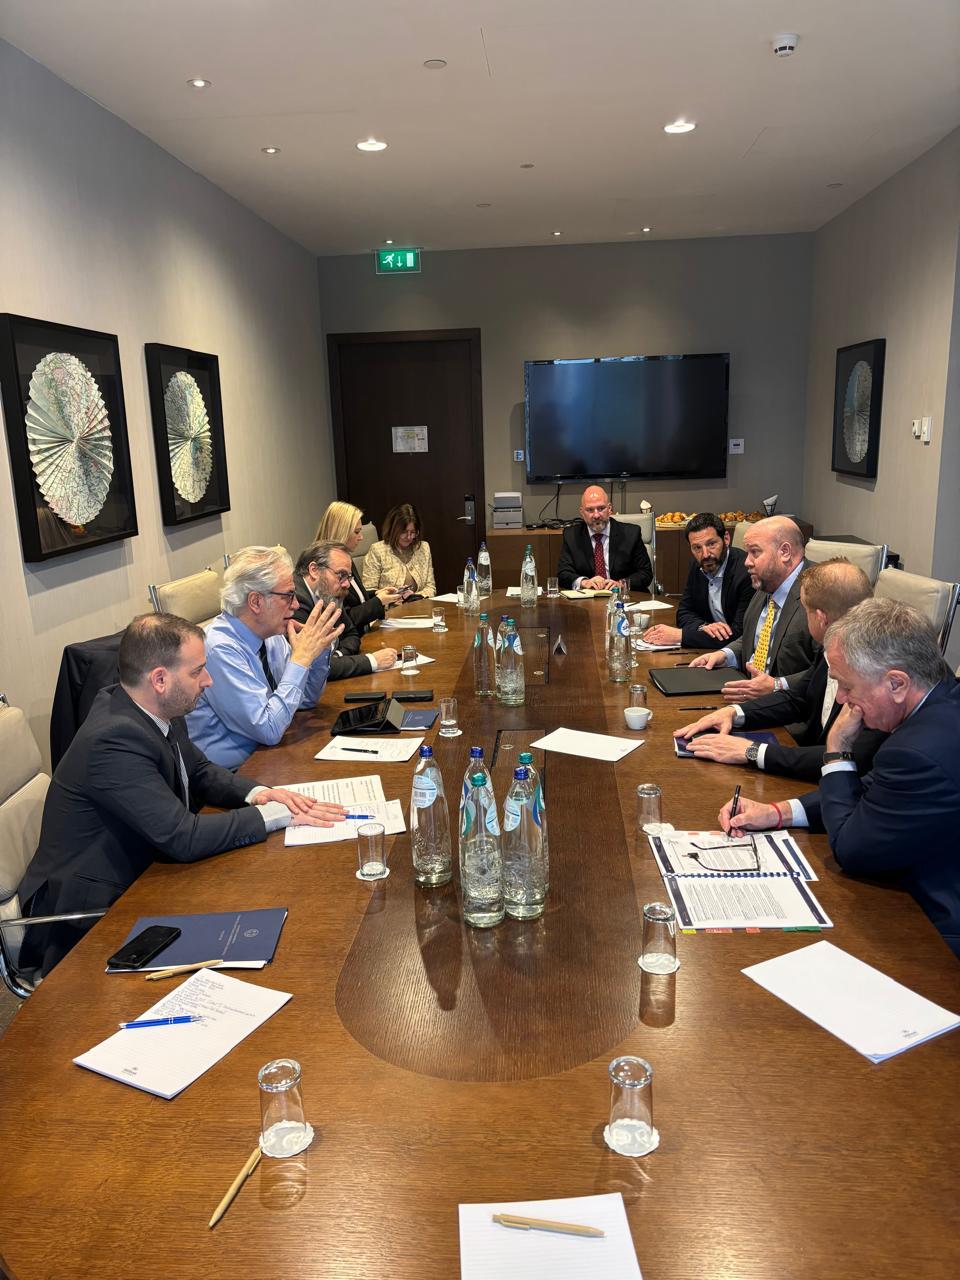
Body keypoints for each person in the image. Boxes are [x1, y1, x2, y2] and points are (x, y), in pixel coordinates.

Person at [18, 613, 346, 978]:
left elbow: (199, 770)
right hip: (88, 918)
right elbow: (183, 837)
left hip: (148, 876)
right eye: (198, 671)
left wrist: (261, 795)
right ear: (160, 679)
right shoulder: (113, 739)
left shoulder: (156, 707)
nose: (208, 681)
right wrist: (281, 816)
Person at [718, 598, 960, 957]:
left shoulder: (918, 749)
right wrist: (778, 812)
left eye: (847, 686)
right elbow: (875, 793)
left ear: (896, 683)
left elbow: (850, 849)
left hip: (935, 931)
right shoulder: (941, 696)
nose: (843, 699)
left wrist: (837, 748)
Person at [675, 559, 885, 781]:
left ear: (821, 619)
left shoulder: (874, 676)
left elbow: (850, 759)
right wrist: (734, 713)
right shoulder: (833, 647)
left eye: (805, 610)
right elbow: (798, 699)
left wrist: (752, 751)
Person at [186, 546, 342, 768]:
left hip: (272, 754)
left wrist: (316, 650)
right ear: (256, 602)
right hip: (237, 772)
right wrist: (300, 660)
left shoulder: (270, 634)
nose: (296, 605)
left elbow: (305, 699)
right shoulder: (219, 649)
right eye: (288, 596)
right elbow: (268, 729)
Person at [689, 517, 819, 726]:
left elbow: (829, 671)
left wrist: (777, 684)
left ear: (785, 552)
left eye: (755, 552)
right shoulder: (767, 581)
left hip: (791, 719)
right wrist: (725, 655)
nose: (747, 562)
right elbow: (757, 639)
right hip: (747, 699)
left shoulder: (820, 593)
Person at [643, 512, 753, 648]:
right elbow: (684, 613)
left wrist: (681, 636)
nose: (705, 554)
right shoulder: (697, 564)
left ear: (726, 539)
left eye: (711, 544)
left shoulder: (747, 572)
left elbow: (740, 634)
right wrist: (703, 627)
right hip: (709, 649)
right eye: (697, 548)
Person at [293, 541, 398, 679]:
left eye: (348, 577)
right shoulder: (294, 601)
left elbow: (351, 633)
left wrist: (337, 655)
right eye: (341, 575)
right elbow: (311, 667)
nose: (347, 584)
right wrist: (372, 661)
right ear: (314, 570)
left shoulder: (327, 593)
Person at [314, 500, 403, 633]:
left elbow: (356, 598)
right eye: (357, 532)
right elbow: (344, 619)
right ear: (341, 532)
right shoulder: (325, 566)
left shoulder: (345, 556)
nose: (361, 537)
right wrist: (378, 602)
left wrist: (376, 594)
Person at [556, 485, 653, 592]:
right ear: (582, 512)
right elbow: (563, 573)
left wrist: (621, 584)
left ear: (610, 509)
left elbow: (646, 573)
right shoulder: (571, 536)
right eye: (590, 510)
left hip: (622, 597)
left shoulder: (631, 534)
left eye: (601, 508)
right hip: (587, 598)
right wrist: (584, 582)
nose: (596, 515)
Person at [362, 503, 437, 599]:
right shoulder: (377, 551)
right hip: (390, 606)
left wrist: (414, 596)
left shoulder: (423, 548)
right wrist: (393, 598)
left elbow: (430, 587)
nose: (409, 537)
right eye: (404, 532)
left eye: (413, 532)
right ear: (393, 529)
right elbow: (369, 592)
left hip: (418, 604)